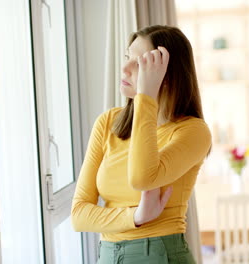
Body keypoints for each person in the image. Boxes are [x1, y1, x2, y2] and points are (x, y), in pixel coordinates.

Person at [71, 25, 212, 264]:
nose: (124, 68)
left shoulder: (193, 132)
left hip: (159, 254)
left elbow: (143, 178)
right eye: (127, 57)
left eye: (139, 63)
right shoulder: (108, 123)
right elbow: (79, 215)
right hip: (108, 255)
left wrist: (146, 96)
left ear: (166, 76)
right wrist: (135, 216)